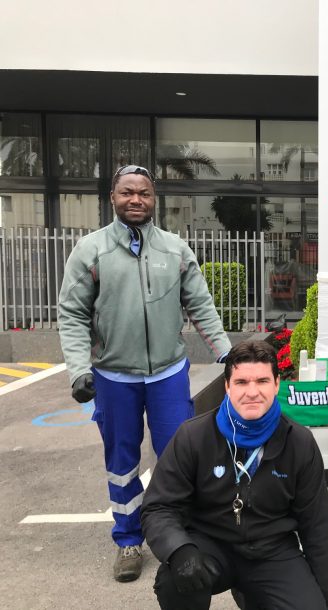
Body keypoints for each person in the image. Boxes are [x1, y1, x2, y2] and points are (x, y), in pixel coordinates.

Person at [58, 164, 231, 582]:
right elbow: (72, 312)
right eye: (127, 193)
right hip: (114, 377)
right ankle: (129, 539)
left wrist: (227, 353)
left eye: (144, 193)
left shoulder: (174, 249)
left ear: (155, 200)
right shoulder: (91, 249)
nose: (136, 200)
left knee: (179, 455)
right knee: (122, 461)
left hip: (168, 374)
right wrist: (79, 369)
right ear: (112, 198)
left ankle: (181, 533)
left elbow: (201, 305)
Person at [141, 340, 328, 609]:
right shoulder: (193, 436)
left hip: (272, 551)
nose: (252, 392)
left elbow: (317, 530)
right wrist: (179, 549)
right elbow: (159, 507)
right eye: (242, 382)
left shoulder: (299, 443)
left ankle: (253, 596)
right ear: (227, 386)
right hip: (211, 544)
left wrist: (325, 603)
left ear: (277, 384)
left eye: (262, 381)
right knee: (174, 582)